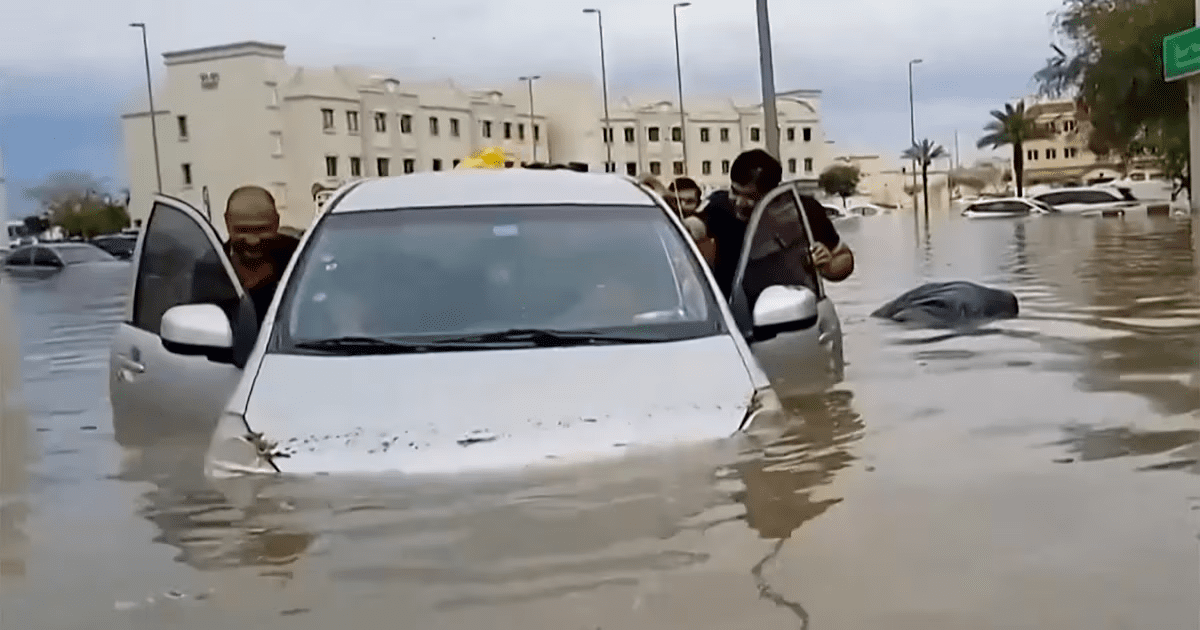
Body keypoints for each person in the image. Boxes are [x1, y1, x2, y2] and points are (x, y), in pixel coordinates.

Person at [704, 149, 854, 299]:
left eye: (751, 197)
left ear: (773, 194)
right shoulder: (719, 208)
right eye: (735, 192)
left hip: (794, 310)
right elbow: (695, 229)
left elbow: (843, 257)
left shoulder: (803, 211)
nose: (740, 203)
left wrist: (827, 265)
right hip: (729, 312)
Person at [222, 185, 300, 325]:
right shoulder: (213, 266)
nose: (253, 240)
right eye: (243, 230)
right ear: (227, 223)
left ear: (277, 222)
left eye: (262, 229)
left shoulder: (300, 259)